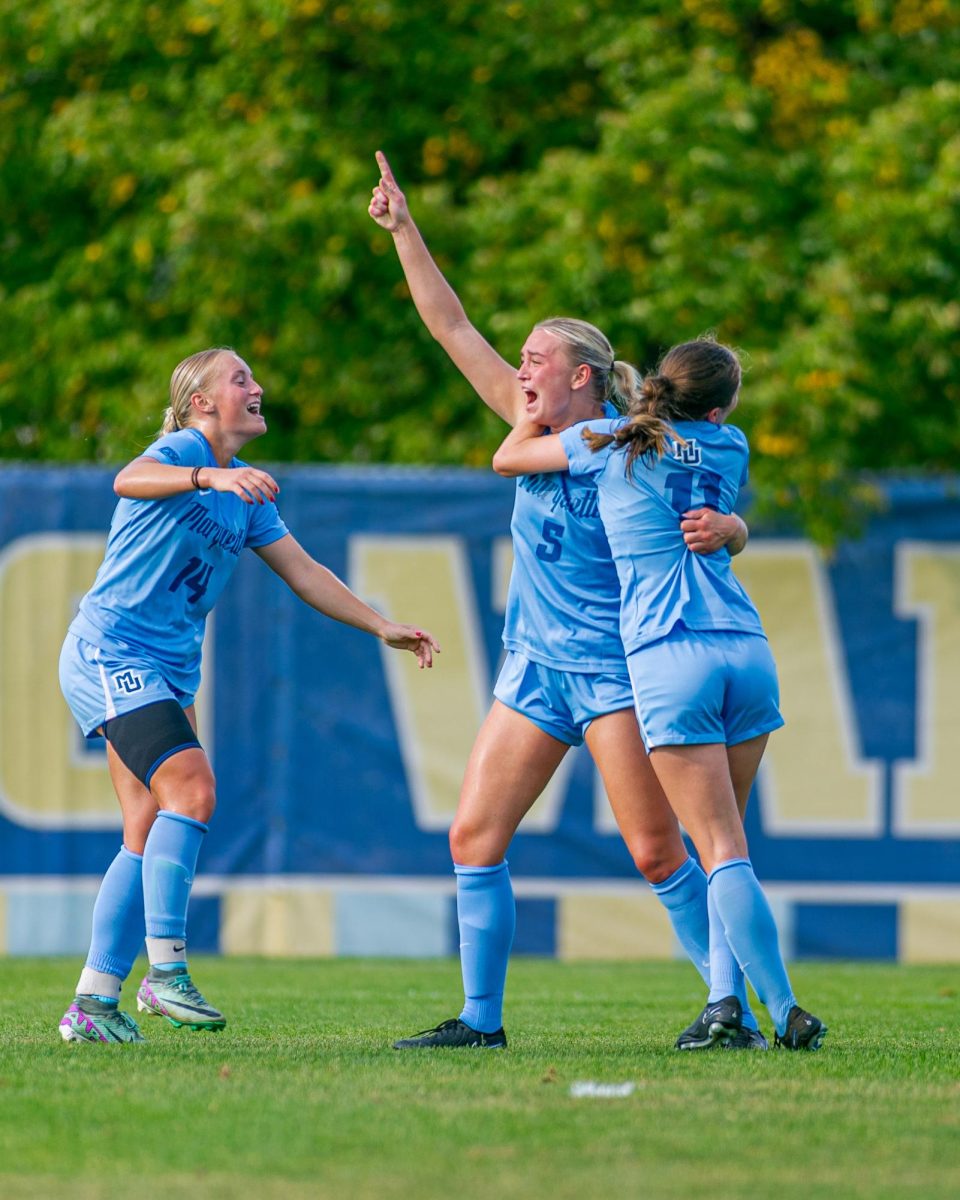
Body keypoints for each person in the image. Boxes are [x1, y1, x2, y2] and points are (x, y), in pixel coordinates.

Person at [369, 152, 766, 1052]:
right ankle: (480, 1020)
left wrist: (734, 532)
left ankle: (728, 1004)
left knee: (660, 852)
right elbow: (451, 326)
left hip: (618, 670)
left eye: (537, 360)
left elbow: (713, 523)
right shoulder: (533, 420)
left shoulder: (629, 442)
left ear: (583, 377)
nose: (521, 369)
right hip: (536, 669)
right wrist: (404, 230)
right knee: (473, 836)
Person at [58, 346, 440, 1044]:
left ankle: (93, 1000)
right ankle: (165, 972)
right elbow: (127, 478)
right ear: (203, 403)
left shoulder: (244, 490)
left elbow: (304, 571)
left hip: (168, 667)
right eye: (241, 379)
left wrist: (381, 623)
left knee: (144, 831)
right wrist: (202, 474)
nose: (258, 387)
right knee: (194, 793)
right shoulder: (184, 450)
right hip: (112, 651)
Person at [492, 337, 827, 1050]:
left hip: (670, 654)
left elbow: (508, 460)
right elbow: (714, 509)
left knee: (719, 851)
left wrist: (529, 407)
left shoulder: (604, 440)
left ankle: (786, 1007)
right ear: (718, 405)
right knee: (726, 845)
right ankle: (721, 1004)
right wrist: (735, 530)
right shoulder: (730, 444)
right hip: (744, 644)